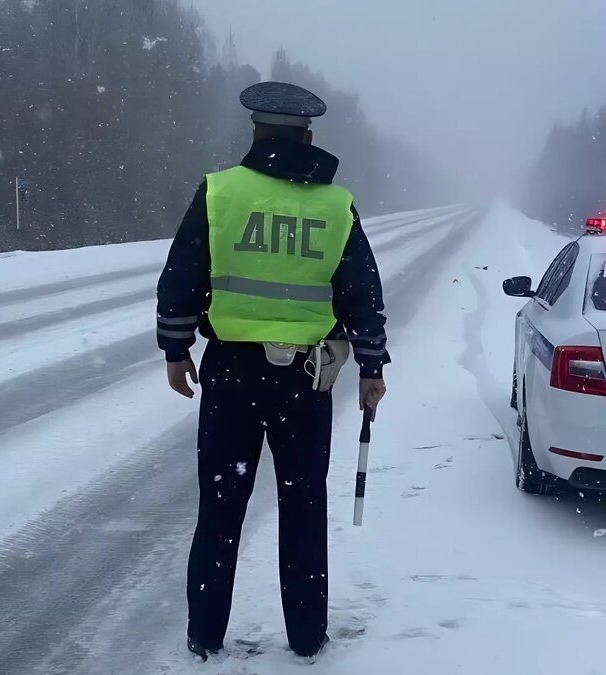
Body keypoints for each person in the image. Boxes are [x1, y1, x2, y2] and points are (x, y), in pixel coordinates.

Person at [155, 81, 390, 661]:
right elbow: (361, 290)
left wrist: (176, 348)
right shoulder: (337, 206)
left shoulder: (219, 193)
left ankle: (204, 634)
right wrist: (371, 363)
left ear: (256, 132)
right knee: (304, 509)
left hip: (230, 376)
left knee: (220, 509)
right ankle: (307, 639)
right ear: (309, 136)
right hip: (306, 384)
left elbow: (182, 275)